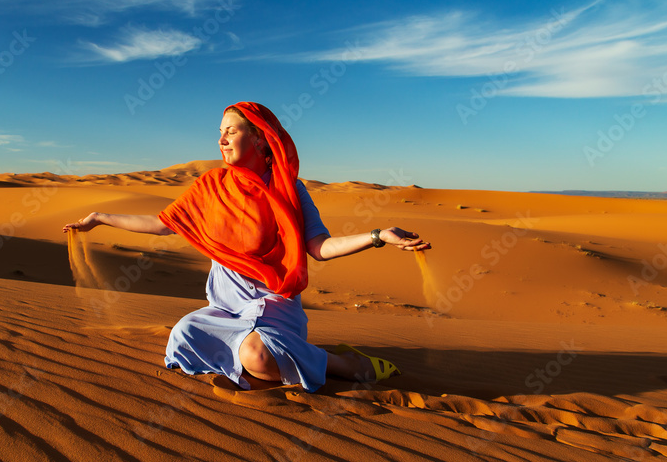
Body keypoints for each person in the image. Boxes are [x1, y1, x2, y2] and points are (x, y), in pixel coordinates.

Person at [63, 102, 430, 392]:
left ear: (258, 138)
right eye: (219, 133)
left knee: (257, 357)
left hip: (275, 306)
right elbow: (162, 225)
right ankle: (287, 355)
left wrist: (378, 236)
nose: (221, 140)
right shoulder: (210, 187)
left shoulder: (289, 190)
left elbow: (319, 247)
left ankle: (342, 363)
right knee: (184, 335)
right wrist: (99, 217)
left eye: (231, 131)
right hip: (226, 307)